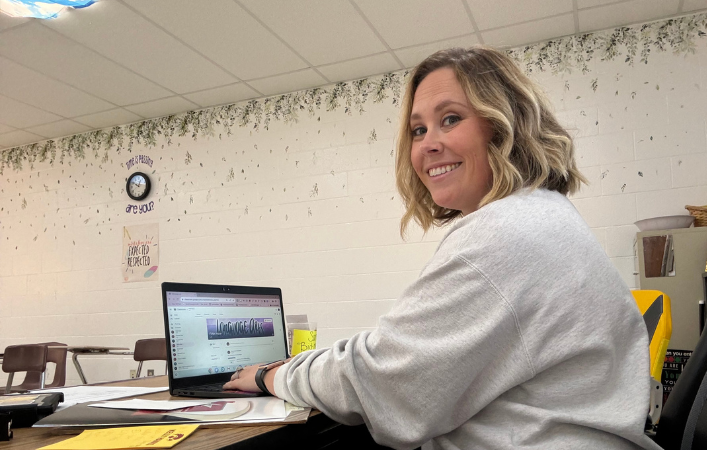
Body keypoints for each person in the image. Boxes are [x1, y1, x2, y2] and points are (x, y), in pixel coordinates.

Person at [224, 46, 661, 450]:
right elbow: (396, 359)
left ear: (505, 123)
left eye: (450, 119)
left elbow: (385, 389)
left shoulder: (505, 232)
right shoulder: (541, 214)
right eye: (418, 129)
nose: (428, 143)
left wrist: (272, 375)